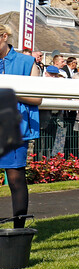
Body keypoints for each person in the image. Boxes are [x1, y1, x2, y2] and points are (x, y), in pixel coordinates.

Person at [0, 25, 41, 228]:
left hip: (14, 127)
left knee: (16, 180)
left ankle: (18, 233)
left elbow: (37, 98)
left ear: (4, 36)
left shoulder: (28, 62)